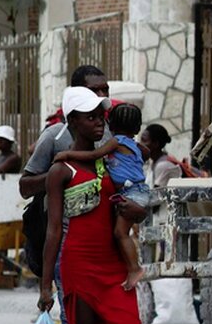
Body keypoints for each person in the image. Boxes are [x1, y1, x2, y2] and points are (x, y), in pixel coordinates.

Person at [38, 86, 146, 324]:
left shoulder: (111, 160)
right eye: (91, 117)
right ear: (72, 121)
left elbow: (134, 201)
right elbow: (53, 231)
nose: (100, 122)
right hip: (79, 264)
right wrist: (45, 285)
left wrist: (141, 212)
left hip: (113, 264)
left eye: (102, 116)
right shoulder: (61, 170)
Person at [20, 64, 113, 324]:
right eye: (94, 90)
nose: (101, 95)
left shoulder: (109, 134)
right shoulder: (54, 137)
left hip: (105, 243)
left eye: (104, 90)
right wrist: (61, 175)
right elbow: (24, 186)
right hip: (67, 242)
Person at [54, 103, 149, 291]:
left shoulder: (117, 141)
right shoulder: (135, 145)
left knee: (120, 233)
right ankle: (130, 267)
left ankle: (134, 269)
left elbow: (95, 154)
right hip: (138, 191)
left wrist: (67, 154)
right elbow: (145, 154)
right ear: (138, 128)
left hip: (131, 193)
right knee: (122, 232)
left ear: (110, 125)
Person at [139, 124, 181, 189]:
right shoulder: (154, 162)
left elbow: (156, 194)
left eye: (144, 141)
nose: (139, 144)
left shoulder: (162, 165)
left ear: (155, 144)